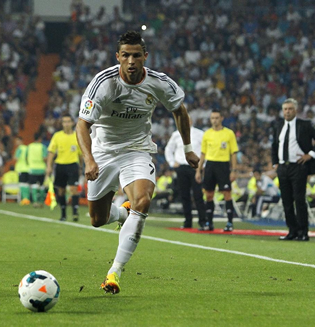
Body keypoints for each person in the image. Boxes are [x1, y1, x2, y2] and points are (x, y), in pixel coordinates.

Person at [76, 31, 199, 294]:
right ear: (118, 57)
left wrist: (188, 149)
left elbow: (180, 111)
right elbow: (82, 125)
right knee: (98, 219)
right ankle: (121, 213)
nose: (131, 60)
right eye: (126, 55)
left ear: (145, 56)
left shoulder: (159, 83)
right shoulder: (103, 83)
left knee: (143, 201)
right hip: (104, 152)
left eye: (136, 55)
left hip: (137, 149)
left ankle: (114, 272)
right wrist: (89, 159)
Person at [272, 98, 315, 241]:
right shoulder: (278, 125)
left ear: (295, 110)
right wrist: (275, 163)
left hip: (298, 166)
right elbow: (274, 145)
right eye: (285, 109)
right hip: (283, 167)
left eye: (290, 109)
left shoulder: (304, 125)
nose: (287, 111)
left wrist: (311, 155)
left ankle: (303, 232)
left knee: (299, 199)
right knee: (286, 201)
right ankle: (292, 231)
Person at [195, 109, 239, 232]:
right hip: (210, 165)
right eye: (212, 118)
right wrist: (199, 170)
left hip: (223, 165)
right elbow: (203, 153)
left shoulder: (229, 133)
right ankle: (209, 223)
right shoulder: (207, 134)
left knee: (226, 193)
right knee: (208, 194)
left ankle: (230, 222)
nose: (214, 120)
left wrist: (234, 170)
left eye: (216, 118)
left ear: (221, 119)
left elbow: (234, 153)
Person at [165, 117, 206, 229]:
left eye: (187, 120)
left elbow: (205, 151)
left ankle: (203, 221)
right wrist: (172, 162)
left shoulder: (200, 134)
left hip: (195, 167)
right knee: (184, 195)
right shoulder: (176, 134)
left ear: (191, 121)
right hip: (181, 167)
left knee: (198, 195)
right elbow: (168, 149)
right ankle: (188, 221)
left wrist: (202, 166)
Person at [46, 112, 83, 222]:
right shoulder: (57, 136)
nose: (66, 124)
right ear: (62, 124)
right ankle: (63, 214)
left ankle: (75, 212)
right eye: (64, 122)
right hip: (60, 166)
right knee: (61, 191)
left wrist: (81, 167)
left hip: (72, 165)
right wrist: (49, 166)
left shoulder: (77, 135)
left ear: (72, 123)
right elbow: (51, 152)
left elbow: (80, 154)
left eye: (68, 122)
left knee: (73, 189)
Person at [27, 131, 48, 208]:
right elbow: (44, 158)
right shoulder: (42, 147)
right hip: (41, 169)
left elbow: (26, 157)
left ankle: (35, 202)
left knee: (34, 186)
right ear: (40, 139)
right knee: (42, 186)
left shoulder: (29, 146)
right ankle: (41, 202)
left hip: (32, 168)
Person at [14, 136, 30, 205]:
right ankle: (27, 199)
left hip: (21, 168)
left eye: (17, 141)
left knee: (22, 184)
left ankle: (25, 199)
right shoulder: (27, 148)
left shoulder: (19, 149)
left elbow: (16, 158)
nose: (16, 142)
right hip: (28, 168)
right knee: (26, 184)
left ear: (21, 141)